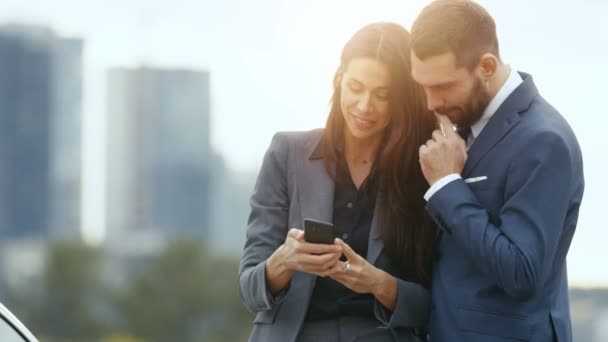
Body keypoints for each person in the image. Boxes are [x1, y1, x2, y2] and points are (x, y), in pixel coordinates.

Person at [238, 22, 436, 342]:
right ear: (339, 79)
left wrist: (378, 283)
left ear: (401, 99)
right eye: (356, 87)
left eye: (382, 95)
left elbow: (434, 305)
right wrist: (284, 261)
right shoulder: (286, 154)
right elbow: (250, 290)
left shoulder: (419, 171)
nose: (364, 106)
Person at [409, 1, 585, 341]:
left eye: (443, 86)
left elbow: (521, 271)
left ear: (486, 66)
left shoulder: (544, 141)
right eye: (423, 86)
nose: (431, 103)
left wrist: (447, 185)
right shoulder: (458, 125)